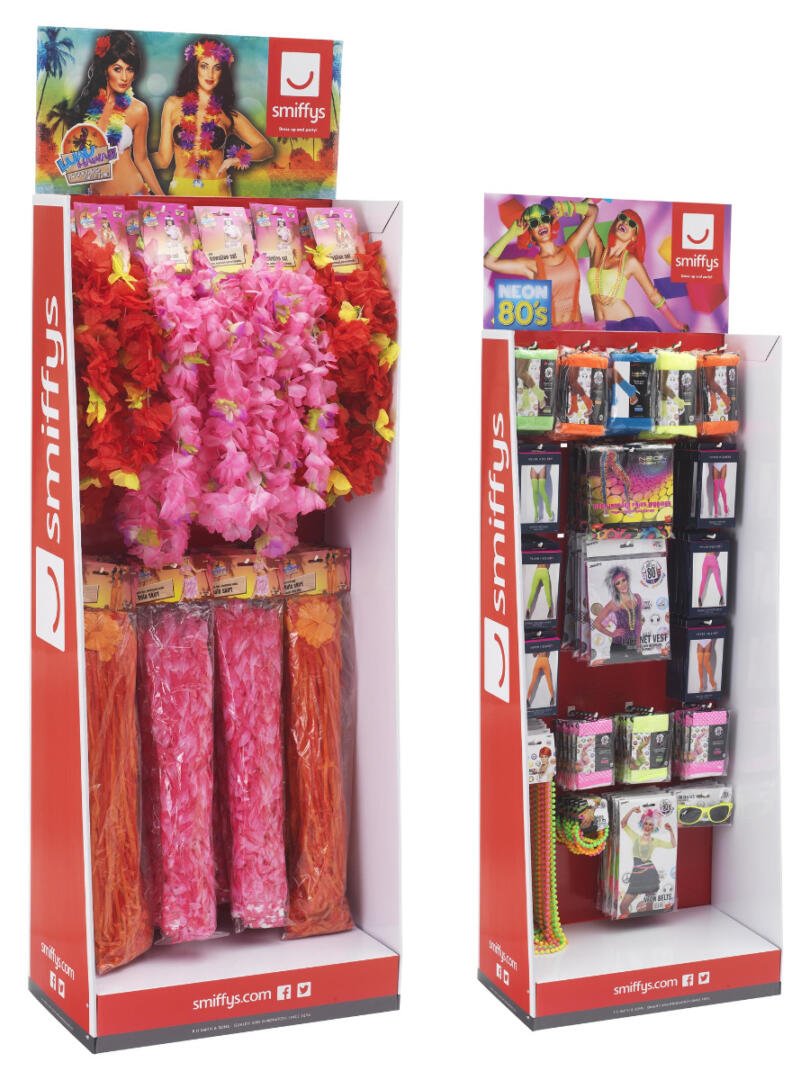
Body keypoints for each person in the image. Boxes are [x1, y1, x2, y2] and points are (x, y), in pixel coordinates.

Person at [153, 37, 274, 195]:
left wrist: (239, 158)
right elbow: (163, 159)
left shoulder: (228, 114)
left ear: (222, 72)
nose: (210, 74)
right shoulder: (172, 105)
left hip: (217, 191)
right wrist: (133, 161)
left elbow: (266, 148)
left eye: (216, 68)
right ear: (195, 67)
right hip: (181, 189)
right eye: (204, 66)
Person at [68, 30, 163, 196]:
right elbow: (77, 161)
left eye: (130, 69)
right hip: (97, 200)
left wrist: (162, 197)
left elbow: (141, 159)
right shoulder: (87, 106)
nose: (124, 77)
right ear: (106, 69)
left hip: (133, 195)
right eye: (117, 69)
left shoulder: (138, 110)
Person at [484, 199, 598, 325]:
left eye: (544, 219)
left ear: (550, 222)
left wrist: (568, 206)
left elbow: (593, 212)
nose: (541, 225)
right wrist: (511, 234)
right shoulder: (532, 265)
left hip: (578, 328)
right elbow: (488, 262)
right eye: (534, 223)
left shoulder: (571, 249)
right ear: (530, 233)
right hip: (553, 332)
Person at [586, 209, 688, 331]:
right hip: (601, 327)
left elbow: (653, 295)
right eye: (622, 217)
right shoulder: (597, 250)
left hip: (624, 324)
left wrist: (676, 323)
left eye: (631, 223)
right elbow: (587, 216)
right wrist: (583, 204)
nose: (625, 222)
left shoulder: (631, 261)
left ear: (634, 237)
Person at [619, 806, 676, 916]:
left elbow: (673, 845)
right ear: (642, 823)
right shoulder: (635, 837)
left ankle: (647, 923)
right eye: (646, 823)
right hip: (637, 876)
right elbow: (623, 823)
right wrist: (632, 810)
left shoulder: (655, 841)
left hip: (650, 875)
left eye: (651, 824)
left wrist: (671, 831)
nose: (648, 826)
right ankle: (632, 922)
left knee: (649, 908)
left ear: (654, 827)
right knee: (623, 906)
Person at [592, 566, 642, 661]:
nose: (622, 585)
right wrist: (612, 634)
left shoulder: (637, 598)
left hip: (633, 644)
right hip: (618, 646)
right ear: (615, 587)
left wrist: (638, 642)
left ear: (627, 580)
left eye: (623, 580)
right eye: (618, 583)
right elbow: (596, 623)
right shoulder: (613, 604)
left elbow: (639, 622)